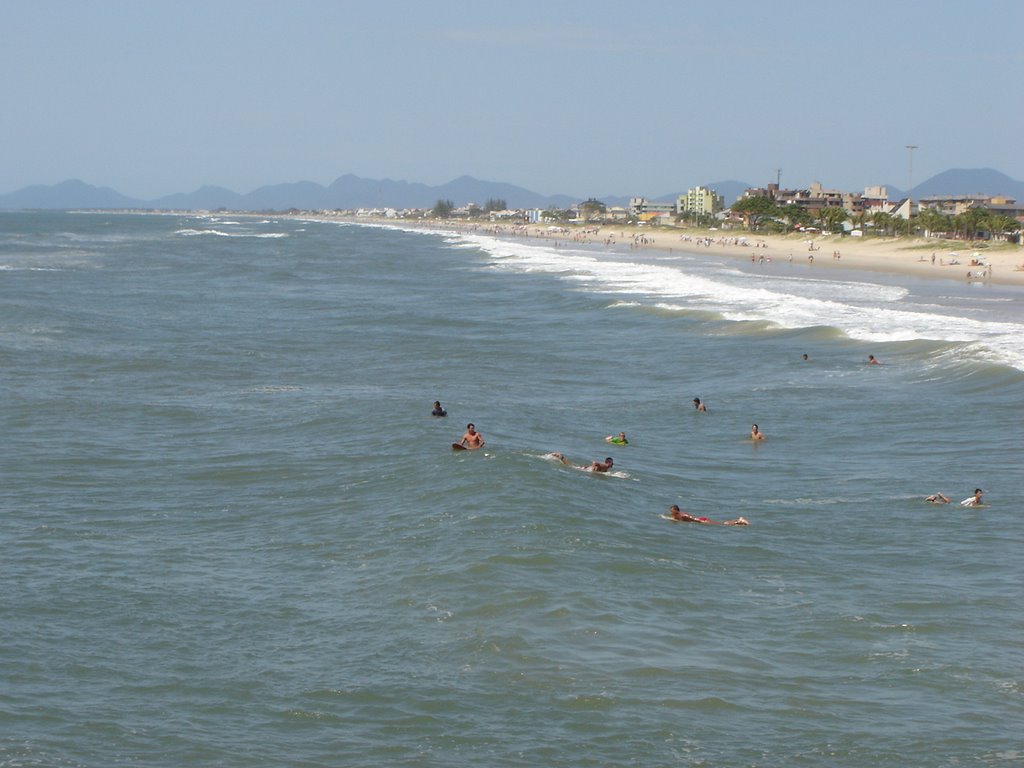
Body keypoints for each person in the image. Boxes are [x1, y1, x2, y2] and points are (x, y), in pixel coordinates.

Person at [667, 505, 748, 526]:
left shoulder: (683, 515)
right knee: (722, 523)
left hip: (703, 520)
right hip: (702, 520)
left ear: (676, 510)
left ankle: (739, 521)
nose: (671, 513)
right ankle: (738, 521)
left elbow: (692, 518)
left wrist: (701, 522)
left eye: (672, 511)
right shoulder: (677, 516)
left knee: (722, 524)